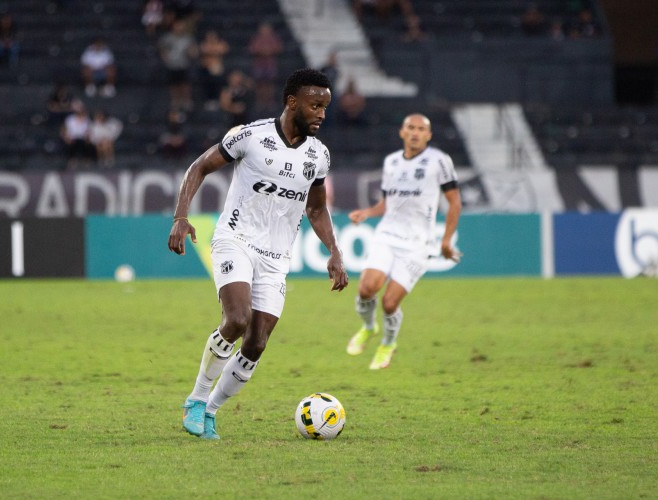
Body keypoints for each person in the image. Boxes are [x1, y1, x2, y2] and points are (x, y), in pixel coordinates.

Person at [167, 68, 348, 440]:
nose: (321, 114)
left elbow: (316, 208)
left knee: (257, 341)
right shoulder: (250, 136)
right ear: (292, 102)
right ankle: (196, 400)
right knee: (236, 318)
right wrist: (181, 216)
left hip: (276, 257)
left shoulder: (319, 156)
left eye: (325, 107)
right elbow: (199, 167)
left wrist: (335, 252)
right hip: (235, 239)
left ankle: (211, 411)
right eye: (315, 106)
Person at [346, 114, 462, 370]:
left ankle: (388, 343)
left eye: (421, 129)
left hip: (417, 244)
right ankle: (368, 327)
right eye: (411, 128)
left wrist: (445, 241)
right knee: (366, 289)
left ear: (429, 136)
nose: (415, 133)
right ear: (402, 132)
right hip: (387, 235)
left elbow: (454, 201)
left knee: (389, 303)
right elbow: (386, 203)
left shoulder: (439, 161)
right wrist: (368, 212)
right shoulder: (392, 162)